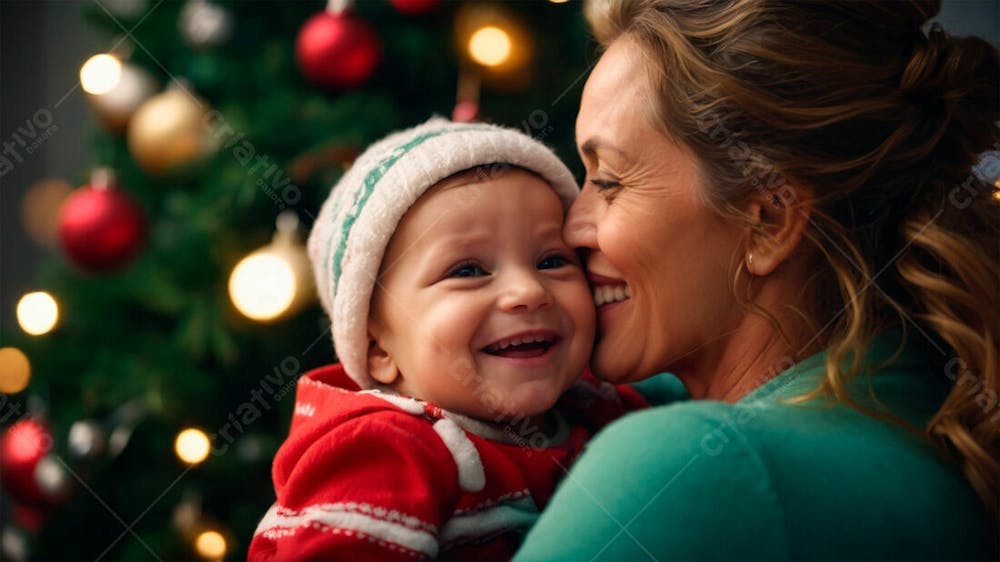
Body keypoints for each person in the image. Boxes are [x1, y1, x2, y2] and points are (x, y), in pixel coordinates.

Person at [515, 0, 999, 560]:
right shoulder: (940, 418)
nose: (570, 227)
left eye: (611, 181)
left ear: (767, 222)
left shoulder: (698, 471)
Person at [248, 118, 646, 562]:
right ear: (378, 349)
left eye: (552, 260)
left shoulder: (601, 407)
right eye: (469, 271)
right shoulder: (385, 449)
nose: (528, 292)